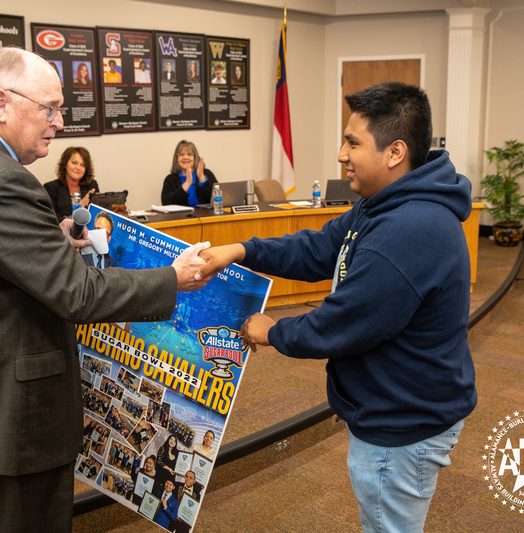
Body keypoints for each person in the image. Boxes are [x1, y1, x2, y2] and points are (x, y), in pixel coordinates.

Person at [0, 47, 210, 533]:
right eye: (49, 108)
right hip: (8, 407)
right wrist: (173, 279)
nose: (60, 122)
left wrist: (50, 241)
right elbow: (78, 294)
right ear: (1, 102)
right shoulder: (3, 180)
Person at [196, 82, 476, 533]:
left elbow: (346, 322)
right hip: (394, 405)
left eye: (353, 142)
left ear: (395, 152)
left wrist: (271, 331)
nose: (341, 154)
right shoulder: (379, 206)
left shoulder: (408, 228)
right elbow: (319, 248)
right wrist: (243, 250)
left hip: (401, 421)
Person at [44, 146, 99, 221]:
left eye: (82, 165)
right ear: (65, 164)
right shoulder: (51, 188)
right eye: (74, 163)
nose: (78, 168)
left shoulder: (92, 185)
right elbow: (51, 219)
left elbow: (97, 217)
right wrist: (80, 207)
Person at [160, 140, 218, 207]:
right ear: (176, 158)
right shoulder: (170, 179)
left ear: (195, 157)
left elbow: (218, 199)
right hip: (182, 217)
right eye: (181, 154)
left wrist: (202, 178)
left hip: (205, 216)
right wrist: (187, 183)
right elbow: (166, 204)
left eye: (189, 154)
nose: (185, 157)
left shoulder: (207, 173)